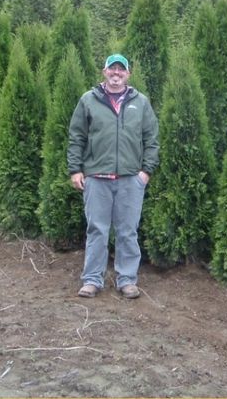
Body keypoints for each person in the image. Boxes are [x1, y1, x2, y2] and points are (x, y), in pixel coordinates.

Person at [67, 53, 159, 299]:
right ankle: (92, 280)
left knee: (128, 231)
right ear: (104, 71)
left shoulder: (141, 102)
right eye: (112, 69)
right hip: (97, 178)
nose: (116, 74)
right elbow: (77, 137)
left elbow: (151, 141)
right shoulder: (88, 100)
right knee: (97, 229)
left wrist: (145, 173)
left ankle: (127, 280)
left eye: (121, 70)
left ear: (128, 74)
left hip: (131, 179)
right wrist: (75, 169)